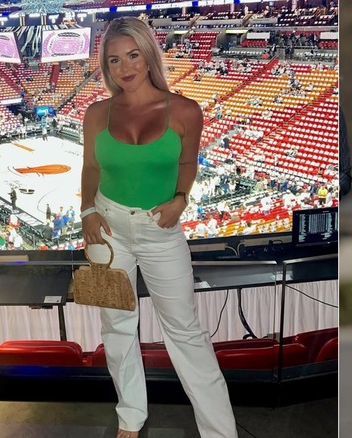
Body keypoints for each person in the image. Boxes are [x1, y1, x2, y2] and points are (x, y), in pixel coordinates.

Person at [80, 17, 237, 438]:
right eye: (113, 60)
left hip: (159, 232)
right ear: (105, 66)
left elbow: (188, 162)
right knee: (115, 328)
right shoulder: (95, 114)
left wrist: (181, 200)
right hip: (106, 234)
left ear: (149, 54)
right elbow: (91, 167)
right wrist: (86, 213)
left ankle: (220, 431)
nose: (124, 67)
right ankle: (130, 416)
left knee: (186, 332)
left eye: (132, 55)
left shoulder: (186, 110)